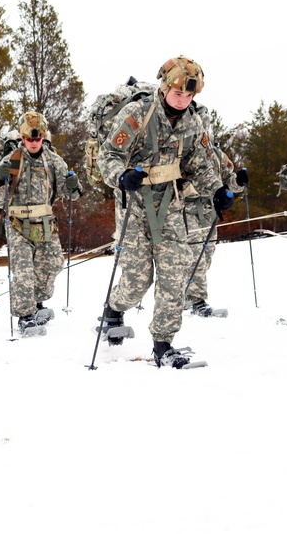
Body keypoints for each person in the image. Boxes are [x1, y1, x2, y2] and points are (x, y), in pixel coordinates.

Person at [96, 56, 229, 367]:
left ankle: (163, 344)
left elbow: (197, 162)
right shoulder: (138, 112)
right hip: (136, 203)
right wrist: (120, 176)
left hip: (170, 202)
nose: (183, 101)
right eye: (178, 93)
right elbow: (110, 154)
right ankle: (113, 309)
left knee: (175, 272)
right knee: (138, 279)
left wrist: (218, 189)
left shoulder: (193, 121)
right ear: (165, 86)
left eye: (189, 96)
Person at [0, 111, 80, 334]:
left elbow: (71, 195)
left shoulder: (54, 161)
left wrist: (72, 186)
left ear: (43, 137)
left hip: (46, 223)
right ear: (22, 137)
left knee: (53, 264)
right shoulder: (11, 161)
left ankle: (37, 303)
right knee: (23, 270)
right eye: (30, 139)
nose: (34, 143)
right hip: (19, 224)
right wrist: (0, 179)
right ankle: (25, 315)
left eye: (38, 139)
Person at [182, 105, 247, 317]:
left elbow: (227, 178)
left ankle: (185, 293)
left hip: (210, 212)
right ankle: (196, 299)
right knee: (194, 256)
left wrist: (239, 182)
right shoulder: (182, 151)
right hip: (188, 209)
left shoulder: (216, 153)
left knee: (206, 254)